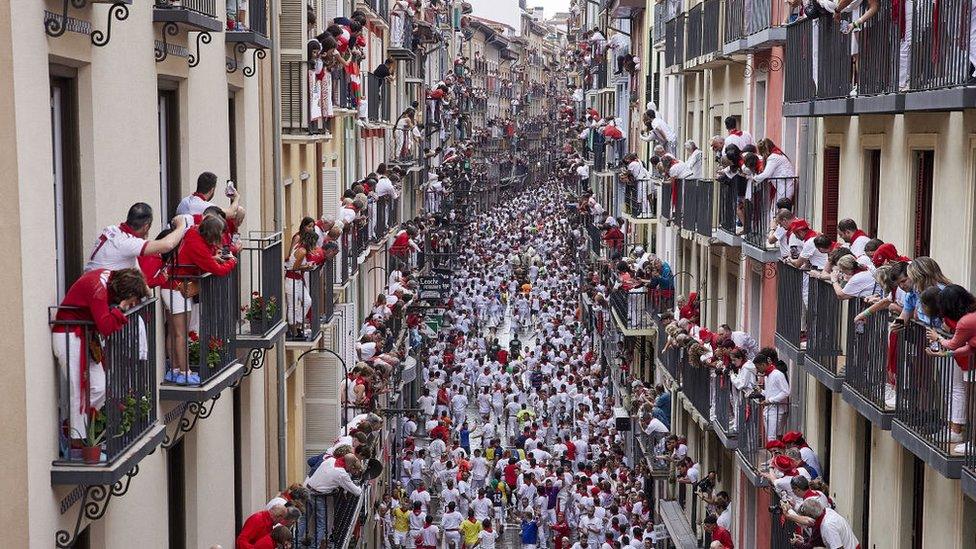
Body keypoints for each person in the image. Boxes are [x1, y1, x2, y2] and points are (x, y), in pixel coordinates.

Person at [52, 268, 151, 439]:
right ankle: (77, 440)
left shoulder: (107, 279)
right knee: (79, 392)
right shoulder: (97, 289)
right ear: (125, 294)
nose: (132, 305)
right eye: (131, 301)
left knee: (99, 388)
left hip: (84, 336)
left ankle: (72, 426)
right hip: (70, 336)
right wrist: (120, 308)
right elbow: (106, 326)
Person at [85, 202, 189, 272]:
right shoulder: (127, 242)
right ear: (146, 226)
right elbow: (167, 245)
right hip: (99, 291)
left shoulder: (113, 230)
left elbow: (135, 266)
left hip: (92, 283)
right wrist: (181, 226)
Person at [176, 171, 246, 225]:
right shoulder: (207, 207)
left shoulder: (184, 201)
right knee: (240, 211)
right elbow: (231, 213)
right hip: (195, 240)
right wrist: (236, 198)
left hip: (180, 240)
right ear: (212, 190)